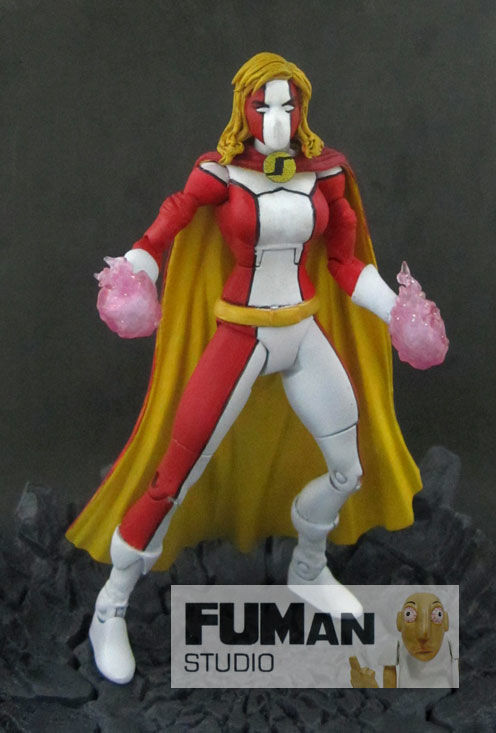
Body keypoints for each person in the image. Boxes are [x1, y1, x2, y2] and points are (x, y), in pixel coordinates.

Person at [66, 52, 430, 684]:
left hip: (303, 331)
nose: (279, 118)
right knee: (172, 478)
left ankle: (308, 568)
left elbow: (345, 264)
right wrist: (137, 268)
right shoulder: (223, 173)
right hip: (242, 334)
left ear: (304, 108)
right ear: (244, 109)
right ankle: (110, 606)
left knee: (347, 469)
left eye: (290, 105)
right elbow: (170, 221)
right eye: (266, 106)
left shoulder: (325, 175)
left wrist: (399, 312)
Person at [350, 592, 459, 688]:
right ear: (399, 621)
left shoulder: (452, 644)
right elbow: (390, 688)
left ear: (446, 621)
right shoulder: (396, 647)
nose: (423, 634)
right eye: (409, 614)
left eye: (437, 615)